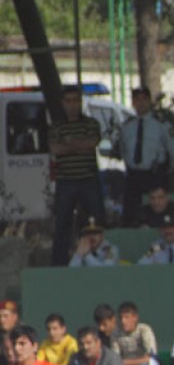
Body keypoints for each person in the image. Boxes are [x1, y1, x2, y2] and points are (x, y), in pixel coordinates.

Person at [49, 85, 103, 266]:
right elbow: (55, 149)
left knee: (95, 222)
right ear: (63, 103)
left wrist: (69, 143)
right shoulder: (57, 126)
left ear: (81, 102)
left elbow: (92, 143)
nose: (72, 105)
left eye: (76, 100)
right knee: (62, 224)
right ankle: (59, 264)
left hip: (88, 180)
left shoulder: (91, 123)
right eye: (68, 101)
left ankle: (99, 259)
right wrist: (80, 145)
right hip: (66, 181)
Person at [119, 86, 174, 227]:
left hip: (153, 175)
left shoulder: (161, 125)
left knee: (154, 213)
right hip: (133, 176)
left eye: (144, 99)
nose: (141, 103)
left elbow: (173, 151)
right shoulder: (127, 127)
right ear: (133, 102)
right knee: (130, 215)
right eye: (137, 99)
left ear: (149, 101)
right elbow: (123, 150)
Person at [110, 301, 157, 365]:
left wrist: (127, 362)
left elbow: (151, 357)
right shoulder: (115, 333)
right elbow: (116, 360)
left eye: (126, 317)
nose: (123, 321)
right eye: (121, 317)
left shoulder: (144, 329)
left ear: (135, 317)